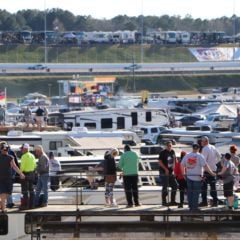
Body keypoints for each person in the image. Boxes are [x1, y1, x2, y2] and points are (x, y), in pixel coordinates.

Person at [181, 144, 216, 211]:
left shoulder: (187, 155)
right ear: (199, 149)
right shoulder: (200, 156)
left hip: (189, 176)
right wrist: (212, 173)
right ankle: (194, 208)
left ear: (192, 148)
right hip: (197, 177)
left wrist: (184, 174)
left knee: (190, 192)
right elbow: (205, 166)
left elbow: (182, 165)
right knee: (196, 193)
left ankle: (190, 207)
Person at [0, 143, 25, 213]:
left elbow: (15, 167)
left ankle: (2, 205)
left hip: (8, 178)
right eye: (4, 149)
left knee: (8, 193)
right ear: (1, 149)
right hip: (0, 179)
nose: (5, 151)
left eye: (6, 149)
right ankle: (3, 208)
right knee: (3, 194)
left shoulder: (10, 157)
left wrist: (21, 173)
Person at [199, 136, 221, 207]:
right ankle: (215, 202)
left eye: (202, 141)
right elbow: (219, 156)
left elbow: (203, 161)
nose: (201, 142)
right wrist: (214, 162)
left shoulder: (205, 149)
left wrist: (201, 171)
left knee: (204, 187)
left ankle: (204, 202)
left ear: (206, 141)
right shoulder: (213, 147)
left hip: (206, 170)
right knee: (213, 186)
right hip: (214, 169)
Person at [158, 141, 178, 206]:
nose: (170, 147)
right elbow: (160, 162)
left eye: (170, 145)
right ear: (166, 146)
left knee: (175, 185)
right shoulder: (162, 152)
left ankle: (172, 201)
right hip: (163, 172)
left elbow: (174, 160)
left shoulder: (172, 151)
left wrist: (174, 170)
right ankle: (164, 202)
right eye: (168, 145)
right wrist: (165, 169)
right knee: (165, 186)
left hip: (171, 172)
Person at [19, 143, 37, 210]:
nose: (21, 150)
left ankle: (26, 205)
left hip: (25, 174)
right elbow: (35, 166)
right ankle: (32, 205)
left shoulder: (24, 156)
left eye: (22, 149)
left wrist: (20, 174)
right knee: (31, 190)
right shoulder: (32, 155)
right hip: (32, 174)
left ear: (25, 149)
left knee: (25, 191)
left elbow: (22, 167)